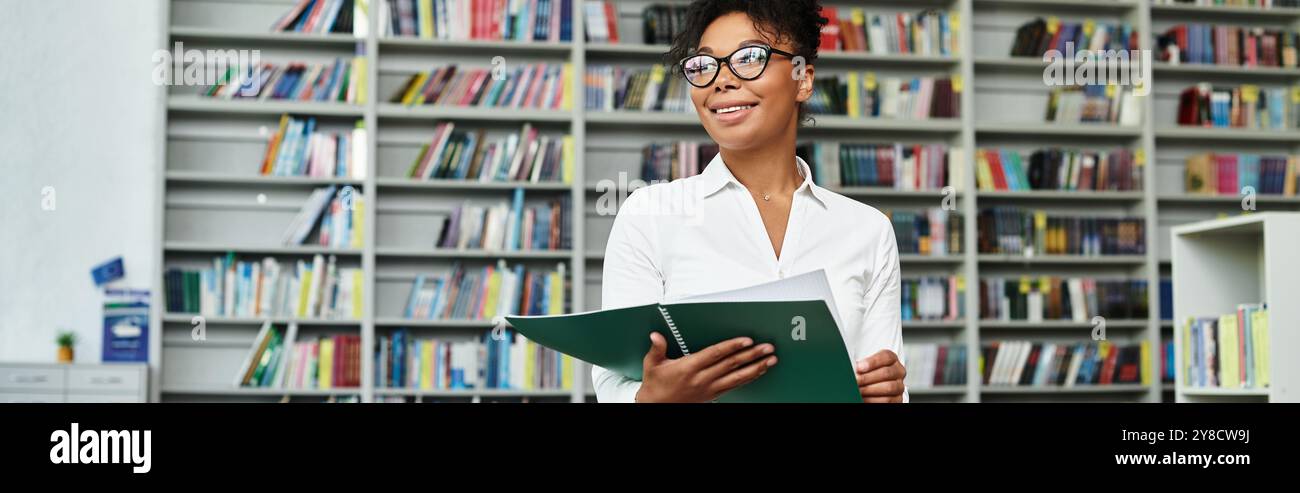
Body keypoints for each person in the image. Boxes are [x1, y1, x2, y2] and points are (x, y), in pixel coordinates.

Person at [594, 0, 907, 403]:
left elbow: (887, 383)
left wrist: (889, 394)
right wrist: (652, 398)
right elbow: (613, 381)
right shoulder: (649, 215)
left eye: (749, 58)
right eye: (704, 65)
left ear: (802, 78)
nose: (721, 80)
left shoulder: (869, 231)